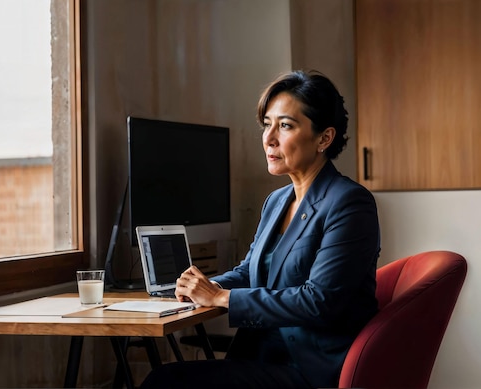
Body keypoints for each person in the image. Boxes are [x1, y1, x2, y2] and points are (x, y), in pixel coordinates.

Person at [140, 70, 380, 389]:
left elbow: (319, 301)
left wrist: (222, 298)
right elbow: (250, 271)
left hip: (309, 368)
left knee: (164, 381)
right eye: (267, 124)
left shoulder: (349, 203)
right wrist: (202, 286)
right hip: (262, 355)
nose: (269, 138)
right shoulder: (277, 200)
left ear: (324, 138)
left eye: (285, 125)